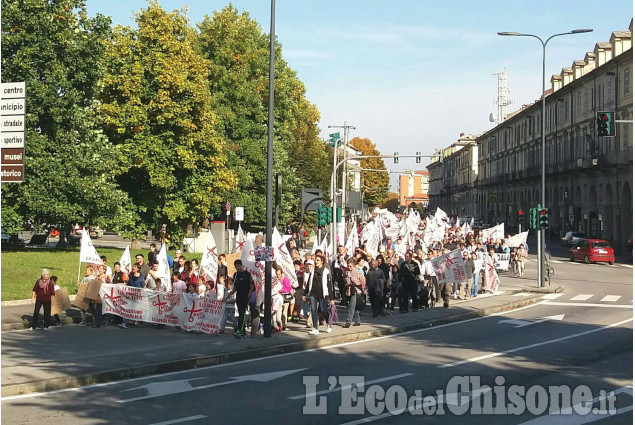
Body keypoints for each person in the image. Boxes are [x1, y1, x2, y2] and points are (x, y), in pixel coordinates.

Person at [304, 255, 334, 335]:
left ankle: (329, 323)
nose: (316, 262)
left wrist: (331, 298)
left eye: (318, 260)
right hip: (313, 293)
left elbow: (329, 285)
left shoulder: (326, 271)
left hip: (323, 294)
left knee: (323, 310)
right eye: (315, 260)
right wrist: (305, 293)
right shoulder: (313, 271)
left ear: (322, 262)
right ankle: (315, 328)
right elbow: (309, 282)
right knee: (313, 310)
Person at [228, 260, 255, 338]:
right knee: (240, 313)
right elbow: (235, 286)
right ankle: (242, 331)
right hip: (239, 296)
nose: (237, 268)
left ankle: (240, 330)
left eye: (238, 266)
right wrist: (232, 292)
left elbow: (252, 285)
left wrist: (249, 294)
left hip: (245, 296)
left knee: (243, 313)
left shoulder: (247, 274)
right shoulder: (236, 274)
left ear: (241, 265)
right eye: (236, 266)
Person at [342, 258, 365, 328]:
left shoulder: (357, 271)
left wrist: (363, 288)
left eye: (351, 266)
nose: (349, 268)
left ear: (354, 265)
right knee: (354, 307)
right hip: (349, 289)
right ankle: (357, 320)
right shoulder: (345, 271)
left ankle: (348, 322)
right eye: (348, 266)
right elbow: (344, 277)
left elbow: (363, 279)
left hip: (356, 290)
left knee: (351, 306)